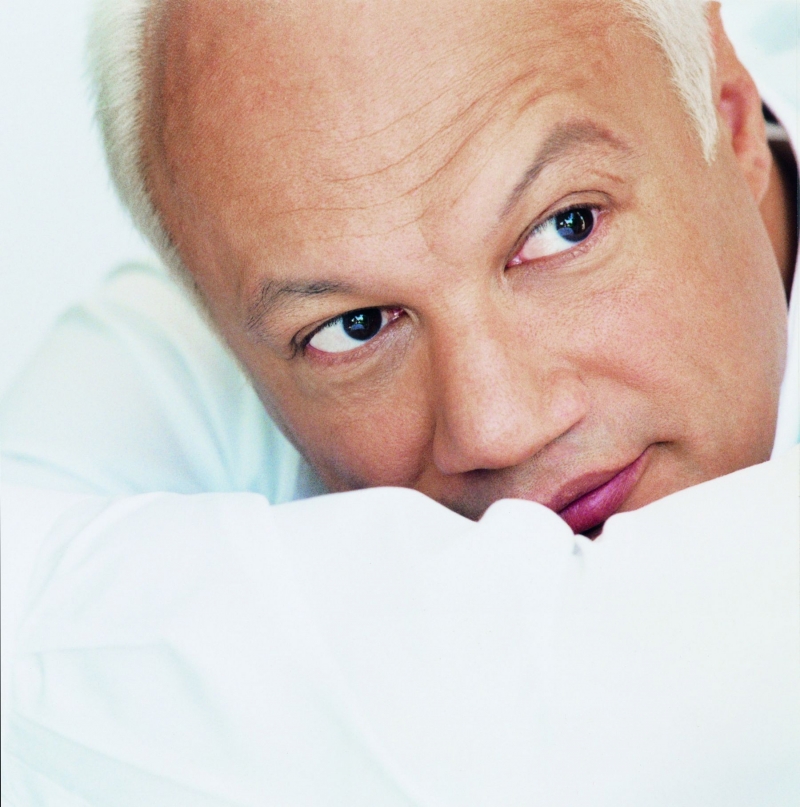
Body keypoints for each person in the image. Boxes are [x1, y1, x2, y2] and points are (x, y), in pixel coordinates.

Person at [0, 0, 797, 536]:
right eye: (356, 328)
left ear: (728, 116)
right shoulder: (189, 343)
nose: (497, 428)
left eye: (566, 227)